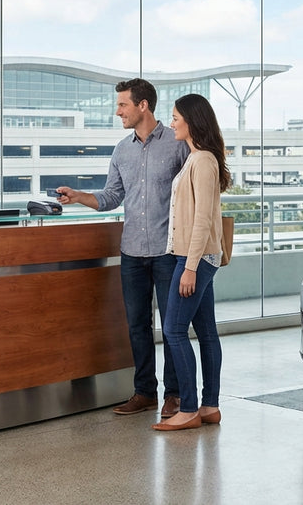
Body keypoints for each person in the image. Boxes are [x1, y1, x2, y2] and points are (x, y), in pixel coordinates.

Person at [56, 79, 190, 419]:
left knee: (172, 326)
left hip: (168, 251)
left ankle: (173, 395)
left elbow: (195, 191)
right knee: (136, 325)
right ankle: (145, 392)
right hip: (131, 252)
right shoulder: (122, 150)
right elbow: (111, 196)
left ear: (142, 105)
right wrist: (78, 197)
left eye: (122, 105)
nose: (118, 112)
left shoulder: (177, 145)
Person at [152, 93, 230, 431]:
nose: (171, 124)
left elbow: (201, 220)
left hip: (194, 257)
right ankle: (209, 406)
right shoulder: (200, 158)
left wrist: (189, 267)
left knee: (173, 329)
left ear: (192, 121)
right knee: (207, 331)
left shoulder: (202, 162)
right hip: (199, 255)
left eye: (175, 118)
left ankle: (188, 408)